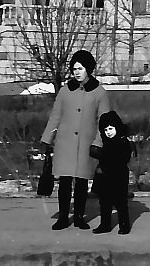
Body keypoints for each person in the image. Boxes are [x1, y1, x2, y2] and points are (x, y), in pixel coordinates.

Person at [40, 49, 111, 230]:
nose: (77, 72)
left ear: (89, 69)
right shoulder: (65, 91)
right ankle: (63, 216)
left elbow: (104, 121)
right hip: (65, 143)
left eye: (80, 68)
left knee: (81, 181)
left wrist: (99, 143)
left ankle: (79, 217)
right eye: (74, 69)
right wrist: (47, 138)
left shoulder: (99, 92)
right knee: (64, 181)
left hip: (87, 144)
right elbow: (55, 116)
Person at [90, 110, 133, 234]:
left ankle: (124, 225)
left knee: (120, 203)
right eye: (105, 130)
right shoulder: (106, 143)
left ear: (117, 127)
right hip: (105, 177)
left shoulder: (123, 141)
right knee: (105, 202)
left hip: (119, 176)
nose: (108, 132)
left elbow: (123, 158)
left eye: (111, 129)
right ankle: (105, 224)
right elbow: (103, 158)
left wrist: (103, 156)